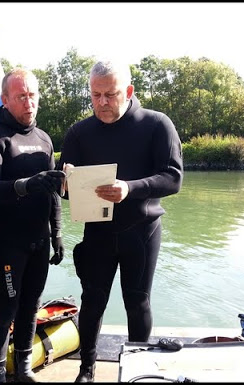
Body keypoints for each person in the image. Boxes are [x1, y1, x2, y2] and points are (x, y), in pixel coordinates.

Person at [57, 59, 183, 382]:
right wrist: (66, 184)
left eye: (109, 95)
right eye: (95, 95)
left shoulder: (156, 125)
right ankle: (87, 369)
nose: (101, 103)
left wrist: (130, 188)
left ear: (128, 91)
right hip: (97, 232)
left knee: (137, 303)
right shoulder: (79, 133)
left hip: (141, 232)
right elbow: (66, 190)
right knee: (92, 301)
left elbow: (173, 178)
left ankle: (139, 372)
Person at [0, 68, 66, 382]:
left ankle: (24, 365)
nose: (29, 103)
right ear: (6, 100)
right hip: (6, 243)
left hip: (38, 240)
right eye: (21, 96)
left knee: (31, 306)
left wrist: (57, 234)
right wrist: (25, 185)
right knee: (7, 305)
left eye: (32, 95)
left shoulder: (43, 139)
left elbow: (53, 190)